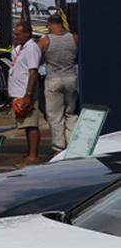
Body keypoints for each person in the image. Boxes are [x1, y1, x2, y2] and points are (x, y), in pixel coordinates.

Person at [40, 13, 78, 151]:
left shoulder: (45, 40)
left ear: (50, 24)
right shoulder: (73, 38)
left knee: (55, 116)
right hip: (71, 78)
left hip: (53, 79)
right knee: (71, 113)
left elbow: (39, 60)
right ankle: (73, 145)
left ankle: (58, 147)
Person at [9, 21, 43, 163]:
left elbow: (33, 72)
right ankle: (30, 152)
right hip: (19, 93)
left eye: (18, 34)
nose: (16, 36)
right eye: (15, 34)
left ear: (27, 33)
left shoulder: (31, 48)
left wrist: (28, 95)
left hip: (25, 93)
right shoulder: (21, 48)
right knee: (26, 125)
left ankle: (33, 154)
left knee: (31, 124)